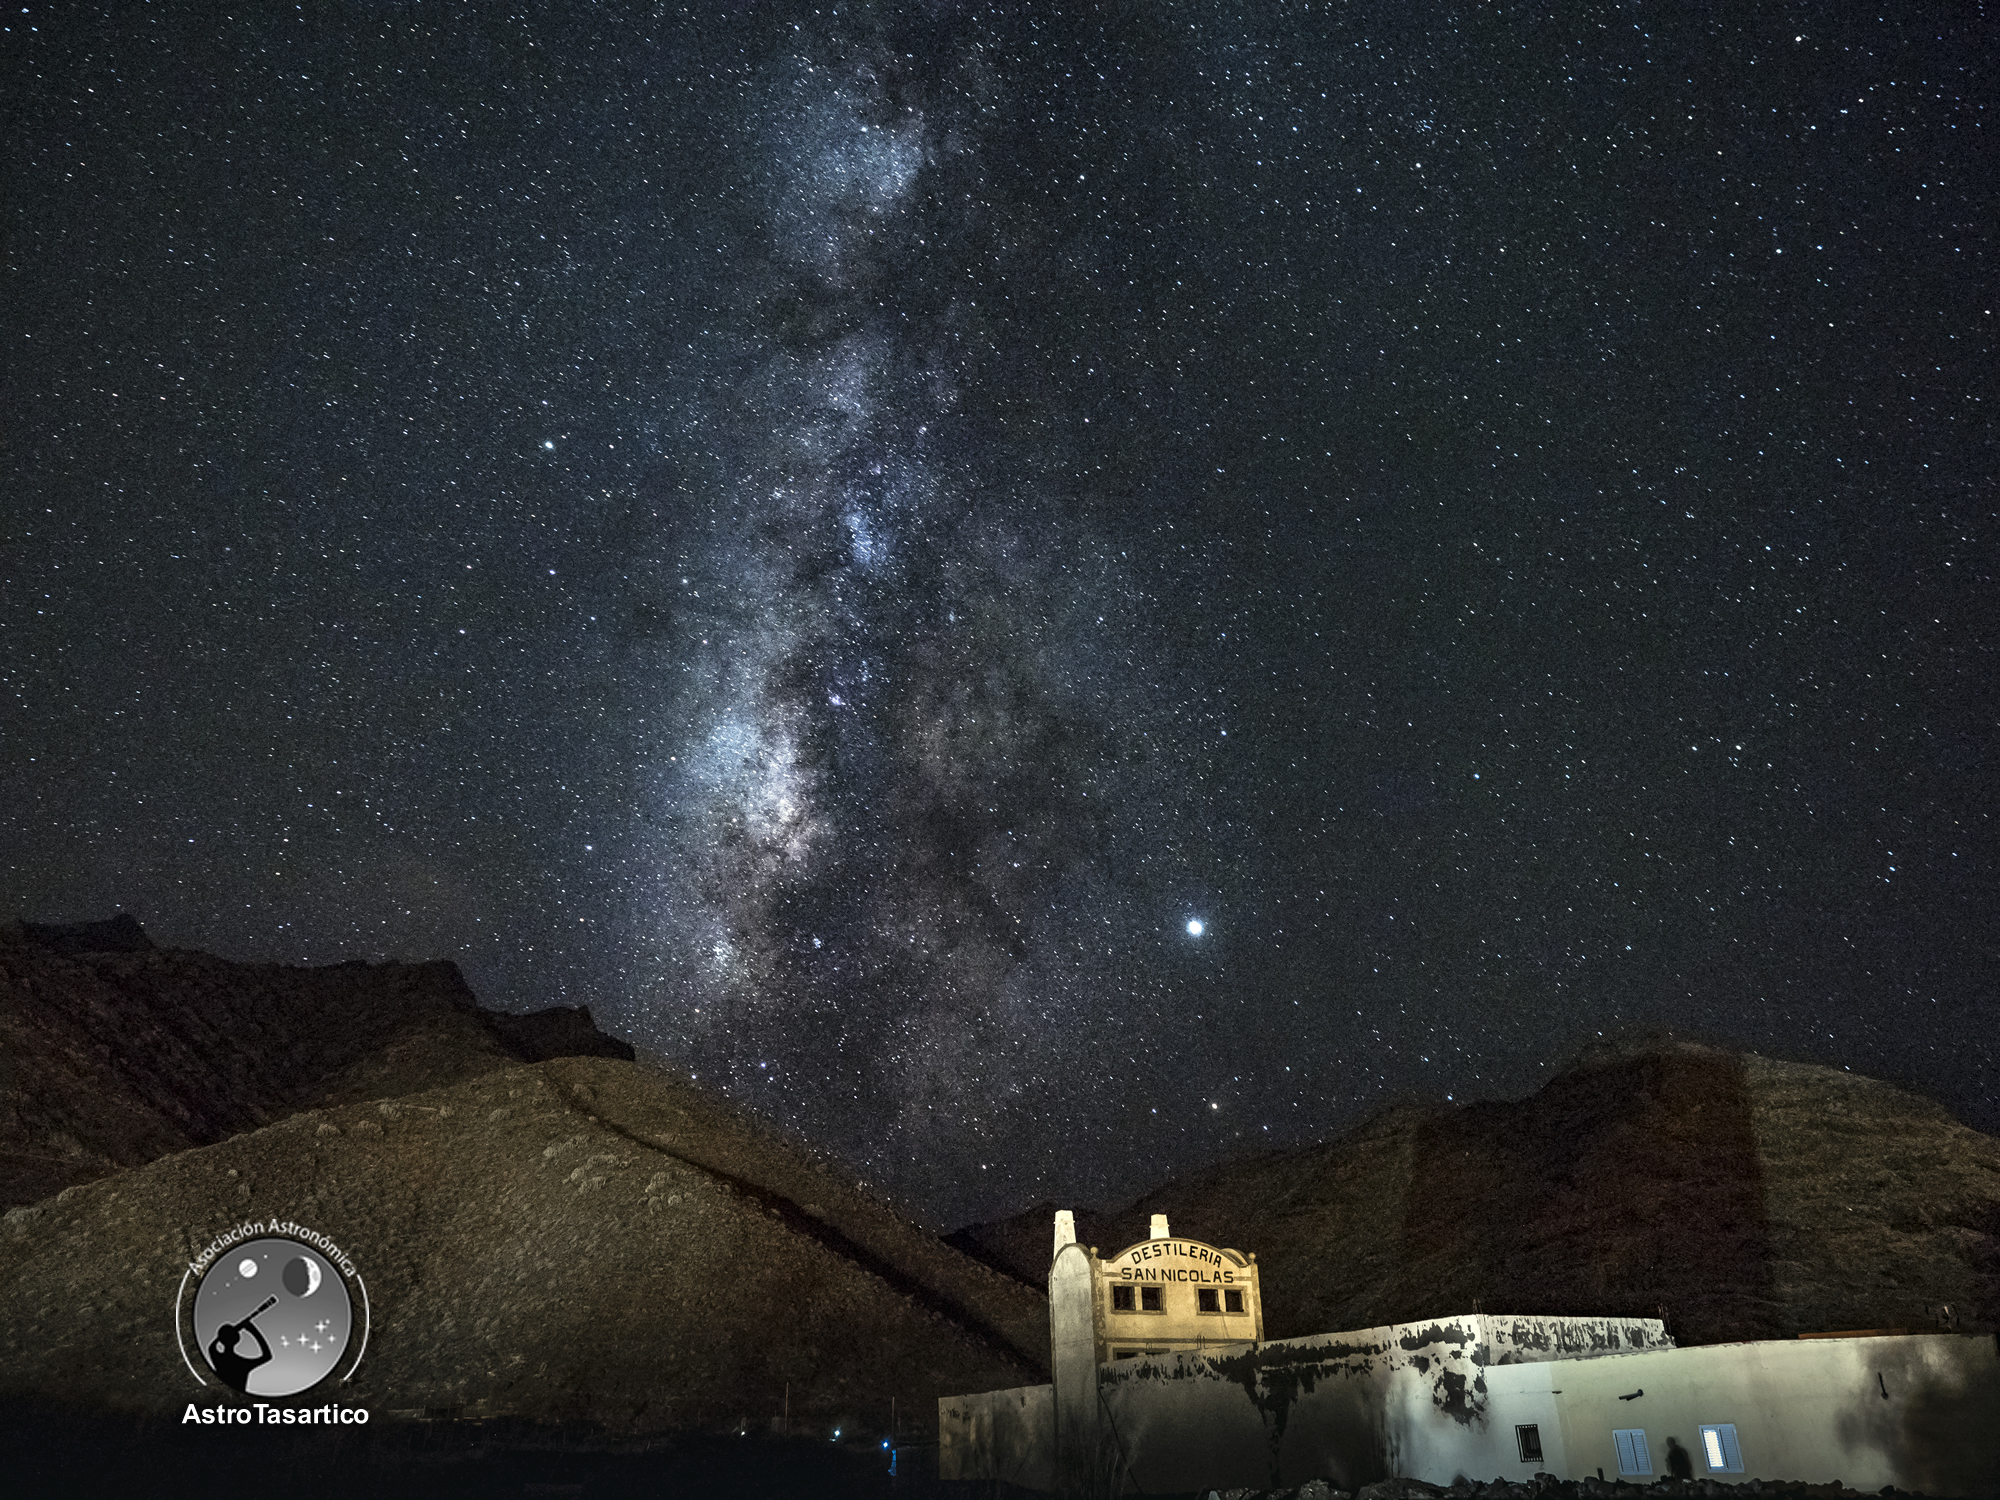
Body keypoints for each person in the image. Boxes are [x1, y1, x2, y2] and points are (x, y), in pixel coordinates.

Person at [207, 1317, 273, 1395]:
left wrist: (234, 1329)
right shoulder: (242, 1364)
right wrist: (253, 1330)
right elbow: (267, 1356)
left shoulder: (218, 1358)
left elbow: (212, 1345)